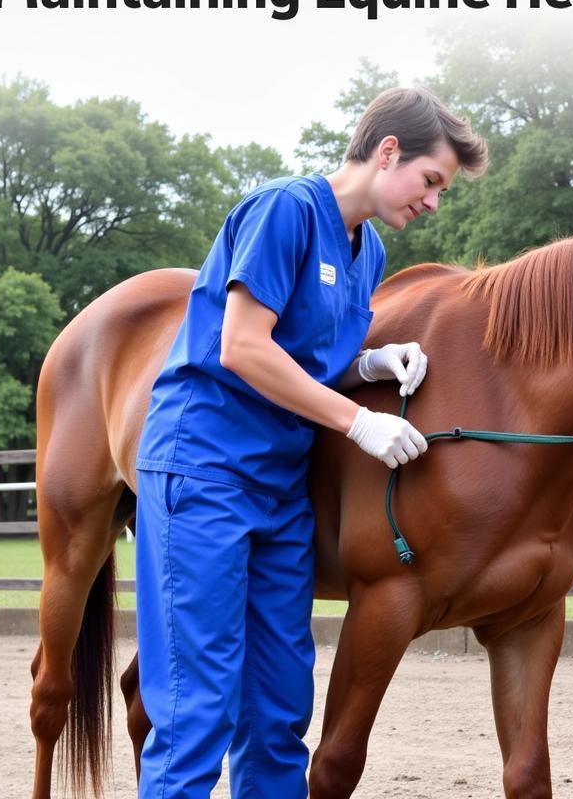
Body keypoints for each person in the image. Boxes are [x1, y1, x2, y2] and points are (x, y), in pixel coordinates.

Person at [133, 87, 488, 798]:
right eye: (431, 182)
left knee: (279, 710)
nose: (433, 203)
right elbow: (241, 347)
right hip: (204, 471)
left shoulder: (369, 249)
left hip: (280, 489)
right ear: (388, 151)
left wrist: (370, 367)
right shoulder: (286, 210)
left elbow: (305, 356)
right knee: (195, 710)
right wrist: (360, 421)